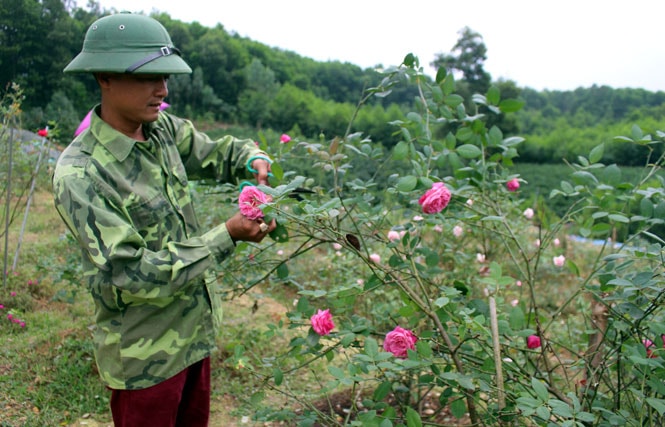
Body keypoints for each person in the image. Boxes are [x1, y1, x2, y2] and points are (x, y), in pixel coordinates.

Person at [52, 12, 276, 427]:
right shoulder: (82, 174)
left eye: (166, 76)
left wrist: (252, 158)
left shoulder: (160, 129)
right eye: (147, 77)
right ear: (104, 76)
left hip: (193, 337)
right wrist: (227, 235)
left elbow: (215, 152)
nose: (163, 89)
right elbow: (129, 273)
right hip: (144, 358)